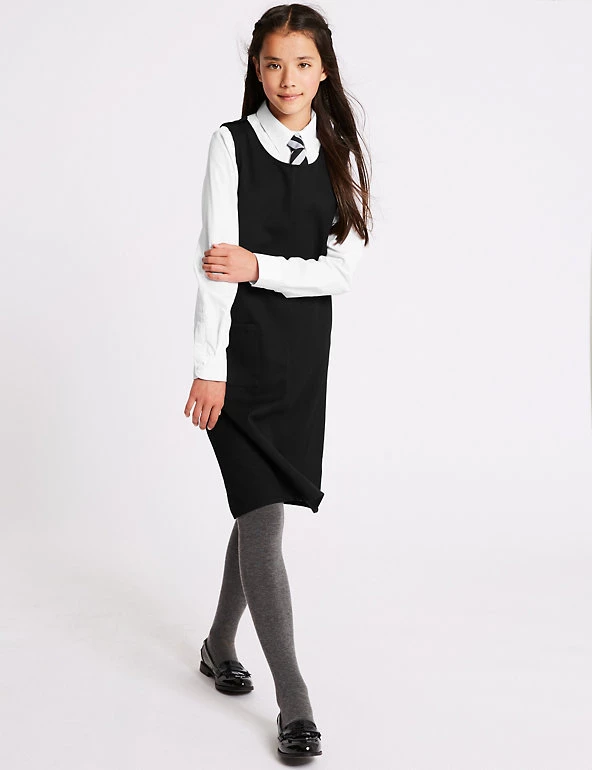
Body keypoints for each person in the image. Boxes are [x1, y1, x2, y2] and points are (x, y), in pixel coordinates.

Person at [183, 3, 372, 758]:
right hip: (240, 358)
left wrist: (260, 266)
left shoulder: (339, 155)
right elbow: (215, 262)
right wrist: (209, 368)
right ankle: (295, 702)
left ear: (323, 72)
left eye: (301, 64)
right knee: (263, 521)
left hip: (302, 360)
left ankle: (217, 645)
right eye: (272, 63)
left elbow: (341, 273)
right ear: (256, 70)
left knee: (257, 511)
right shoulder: (229, 144)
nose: (286, 78)